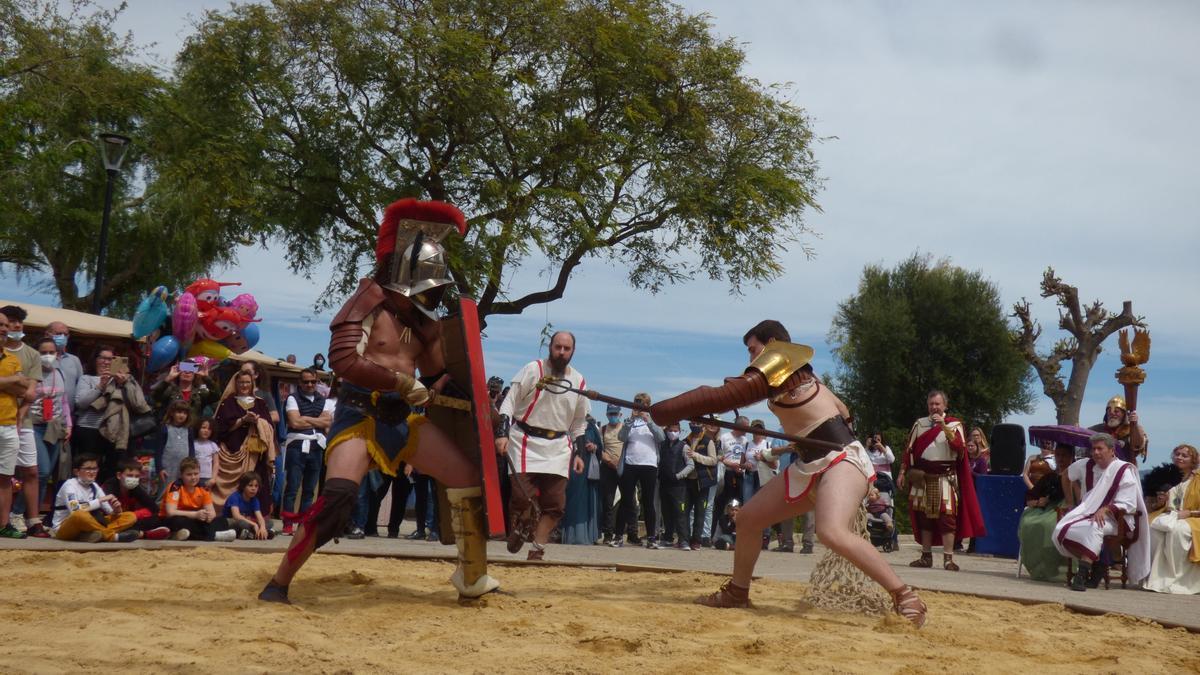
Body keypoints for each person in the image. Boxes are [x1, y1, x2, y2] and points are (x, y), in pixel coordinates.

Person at [262, 198, 500, 603]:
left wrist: (477, 403)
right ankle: (280, 580)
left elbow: (438, 374)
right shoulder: (367, 302)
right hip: (359, 414)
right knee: (338, 498)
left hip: (402, 421)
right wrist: (402, 383)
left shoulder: (424, 323)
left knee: (466, 478)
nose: (433, 293)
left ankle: (472, 578)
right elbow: (343, 360)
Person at [648, 320, 927, 627]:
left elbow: (724, 396)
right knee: (750, 518)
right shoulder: (801, 375)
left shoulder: (782, 365)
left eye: (753, 350)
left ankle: (905, 596)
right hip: (809, 465)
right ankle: (738, 592)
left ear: (771, 345)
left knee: (831, 532)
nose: (751, 358)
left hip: (840, 459)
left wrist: (664, 411)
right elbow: (845, 411)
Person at [498, 330, 590, 560]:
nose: (561, 352)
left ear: (573, 352)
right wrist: (502, 433)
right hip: (524, 441)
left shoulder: (579, 381)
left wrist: (579, 453)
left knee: (555, 504)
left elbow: (579, 423)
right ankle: (523, 524)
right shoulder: (533, 369)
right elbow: (509, 403)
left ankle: (537, 549)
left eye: (566, 349)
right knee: (521, 497)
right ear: (550, 347)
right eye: (557, 347)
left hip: (558, 447)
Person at [898, 389, 985, 571]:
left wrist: (944, 426)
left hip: (945, 478)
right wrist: (902, 472)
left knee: (947, 518)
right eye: (931, 404)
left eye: (937, 404)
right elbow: (909, 451)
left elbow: (959, 449)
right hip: (922, 477)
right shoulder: (919, 424)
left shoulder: (955, 425)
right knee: (924, 519)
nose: (934, 407)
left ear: (945, 405)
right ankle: (926, 556)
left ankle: (948, 559)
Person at [1053, 433, 1150, 591]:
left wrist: (1106, 509)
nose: (1096, 452)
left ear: (1112, 450)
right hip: (1087, 514)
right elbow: (1065, 476)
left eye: (1100, 449)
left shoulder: (1122, 469)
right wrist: (1071, 502)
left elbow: (1128, 502)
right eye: (1093, 449)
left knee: (1094, 527)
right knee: (1061, 530)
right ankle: (1098, 564)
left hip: (1116, 519)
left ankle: (1081, 575)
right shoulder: (1085, 464)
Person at [74, 345, 151, 480]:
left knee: (111, 469)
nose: (106, 362)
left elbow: (137, 404)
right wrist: (100, 387)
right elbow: (81, 403)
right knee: (88, 468)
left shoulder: (123, 380)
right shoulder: (86, 378)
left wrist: (124, 384)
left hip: (113, 431)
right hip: (89, 429)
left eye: (110, 359)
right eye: (102, 358)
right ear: (95, 360)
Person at [21, 337, 72, 536]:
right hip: (34, 424)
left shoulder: (59, 373)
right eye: (43, 352)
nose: (48, 356)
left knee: (46, 475)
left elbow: (65, 401)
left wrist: (69, 424)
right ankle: (17, 512)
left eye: (52, 352)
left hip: (55, 426)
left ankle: (32, 518)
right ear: (37, 354)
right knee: (39, 471)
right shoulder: (31, 373)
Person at [212, 371, 276, 513]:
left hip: (254, 453)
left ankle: (255, 516)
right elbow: (220, 428)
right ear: (236, 383)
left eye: (247, 382)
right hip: (231, 450)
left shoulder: (260, 403)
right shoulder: (227, 403)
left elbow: (270, 426)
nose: (244, 385)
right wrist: (243, 420)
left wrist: (259, 422)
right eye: (241, 382)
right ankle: (227, 514)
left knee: (255, 483)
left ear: (252, 383)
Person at [3, 306, 43, 532]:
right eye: (11, 321)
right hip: (3, 416)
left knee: (31, 471)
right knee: (4, 473)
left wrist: (20, 415)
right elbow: (21, 386)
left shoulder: (32, 354)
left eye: (19, 322)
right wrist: (18, 382)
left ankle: (34, 520)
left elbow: (30, 392)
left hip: (23, 420)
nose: (16, 326)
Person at [281, 369, 334, 530]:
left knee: (310, 489)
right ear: (300, 382)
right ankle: (288, 523)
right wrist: (317, 421)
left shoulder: (323, 400)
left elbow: (327, 422)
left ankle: (303, 523)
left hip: (316, 446)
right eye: (306, 382)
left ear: (317, 381)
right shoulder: (292, 398)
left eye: (312, 381)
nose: (309, 384)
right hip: (297, 445)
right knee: (292, 486)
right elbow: (295, 423)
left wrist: (305, 418)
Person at [1144, 444, 1200, 594]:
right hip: (1168, 515)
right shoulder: (1164, 476)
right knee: (1151, 528)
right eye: (1177, 454)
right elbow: (1149, 507)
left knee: (1179, 531)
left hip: (1194, 518)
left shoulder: (1198, 479)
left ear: (1193, 460)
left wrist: (1189, 513)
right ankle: (1157, 578)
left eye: (1184, 455)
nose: (1179, 457)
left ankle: (1179, 580)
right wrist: (1159, 503)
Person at [51, 453, 141, 542]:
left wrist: (116, 510)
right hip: (64, 527)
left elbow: (109, 511)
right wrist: (100, 500)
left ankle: (91, 536)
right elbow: (75, 510)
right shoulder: (69, 485)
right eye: (88, 469)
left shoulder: (94, 486)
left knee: (130, 516)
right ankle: (112, 537)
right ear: (76, 472)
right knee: (79, 515)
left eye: (95, 469)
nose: (92, 472)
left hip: (89, 525)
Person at [1017, 444, 1076, 581]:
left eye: (1064, 455)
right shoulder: (1049, 477)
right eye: (1058, 455)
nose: (1061, 458)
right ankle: (1041, 565)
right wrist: (1039, 502)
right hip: (1047, 509)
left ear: (1071, 457)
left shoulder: (1075, 476)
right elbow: (1030, 497)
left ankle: (1055, 564)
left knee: (1048, 525)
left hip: (1067, 508)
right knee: (1028, 522)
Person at [611, 392, 663, 548]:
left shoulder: (655, 421)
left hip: (649, 465)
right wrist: (631, 421)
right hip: (630, 464)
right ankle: (619, 536)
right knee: (626, 501)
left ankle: (652, 538)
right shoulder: (629, 422)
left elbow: (661, 438)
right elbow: (621, 437)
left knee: (648, 503)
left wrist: (648, 421)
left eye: (642, 404)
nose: (638, 406)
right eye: (636, 403)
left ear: (648, 405)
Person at [160, 457, 237, 542]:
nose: (193, 477)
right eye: (189, 474)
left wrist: (208, 517)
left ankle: (184, 535)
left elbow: (212, 513)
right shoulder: (175, 486)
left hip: (195, 521)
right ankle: (214, 536)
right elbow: (170, 512)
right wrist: (195, 514)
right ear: (181, 475)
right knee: (178, 521)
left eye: (196, 474)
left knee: (222, 521)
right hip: (175, 519)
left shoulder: (203, 488)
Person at [102, 458, 171, 539]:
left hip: (129, 520)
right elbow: (109, 513)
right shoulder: (108, 487)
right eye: (130, 476)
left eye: (137, 476)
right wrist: (133, 515)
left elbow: (154, 509)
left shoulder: (135, 488)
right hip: (111, 521)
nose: (133, 479)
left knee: (159, 519)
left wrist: (135, 514)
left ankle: (135, 533)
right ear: (119, 475)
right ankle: (144, 534)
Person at [561, 413, 602, 545]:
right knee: (570, 500)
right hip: (568, 467)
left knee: (586, 501)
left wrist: (594, 447)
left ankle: (586, 536)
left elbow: (601, 448)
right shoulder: (565, 423)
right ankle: (569, 535)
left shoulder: (591, 426)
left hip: (587, 472)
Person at [682, 422, 719, 550]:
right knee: (684, 511)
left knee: (700, 512)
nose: (694, 425)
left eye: (697, 423)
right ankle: (684, 539)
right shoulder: (685, 441)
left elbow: (713, 460)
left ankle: (696, 540)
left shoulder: (708, 441)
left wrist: (696, 456)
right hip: (687, 481)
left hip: (702, 482)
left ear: (703, 425)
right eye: (692, 423)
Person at [658, 422, 693, 549]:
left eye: (675, 430)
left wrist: (679, 475)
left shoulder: (684, 446)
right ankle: (667, 538)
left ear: (679, 431)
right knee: (666, 512)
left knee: (680, 513)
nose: (673, 433)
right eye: (670, 430)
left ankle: (684, 540)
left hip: (679, 486)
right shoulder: (661, 445)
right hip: (664, 484)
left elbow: (691, 465)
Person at [150, 360, 220, 422]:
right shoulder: (170, 391)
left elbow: (217, 395)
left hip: (192, 432)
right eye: (184, 370)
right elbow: (155, 396)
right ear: (179, 373)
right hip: (171, 430)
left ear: (194, 375)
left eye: (190, 370)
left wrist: (206, 378)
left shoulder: (200, 394)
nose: (187, 372)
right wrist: (168, 379)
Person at [1089, 396, 1147, 464]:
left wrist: (1134, 425)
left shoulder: (1131, 430)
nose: (1112, 413)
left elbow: (1138, 444)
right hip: (1100, 469)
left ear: (1124, 414)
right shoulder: (1096, 430)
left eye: (1116, 411)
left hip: (1124, 469)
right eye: (1109, 411)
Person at [153, 400, 196, 492]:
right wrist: (159, 468)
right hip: (168, 468)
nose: (182, 415)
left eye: (185, 413)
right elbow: (158, 450)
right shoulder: (164, 428)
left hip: (184, 468)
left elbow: (191, 448)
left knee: (182, 492)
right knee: (165, 491)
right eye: (179, 412)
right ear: (172, 413)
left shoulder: (189, 430)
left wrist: (192, 465)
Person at [596, 403, 624, 545]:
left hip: (624, 468)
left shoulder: (625, 429)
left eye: (615, 414)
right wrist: (608, 460)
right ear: (607, 414)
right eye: (610, 414)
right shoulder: (602, 430)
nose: (613, 416)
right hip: (608, 468)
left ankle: (625, 533)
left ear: (620, 414)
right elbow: (599, 449)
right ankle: (608, 534)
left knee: (628, 502)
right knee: (607, 501)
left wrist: (621, 462)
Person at [224, 472, 275, 540]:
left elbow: (259, 517)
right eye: (250, 485)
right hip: (235, 521)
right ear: (243, 486)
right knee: (241, 523)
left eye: (256, 486)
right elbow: (236, 516)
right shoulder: (235, 497)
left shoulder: (255, 500)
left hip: (248, 523)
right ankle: (260, 533)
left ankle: (253, 534)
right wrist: (254, 524)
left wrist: (262, 527)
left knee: (269, 522)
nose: (253, 488)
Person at [44, 321, 83, 406]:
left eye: (65, 335)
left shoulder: (74, 360)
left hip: (69, 414)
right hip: (44, 412)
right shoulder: (39, 358)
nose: (63, 337)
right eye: (59, 333)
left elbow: (80, 386)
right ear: (47, 335)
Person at [193, 418, 219, 488]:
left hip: (207, 478)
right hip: (193, 476)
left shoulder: (213, 445)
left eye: (209, 429)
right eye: (203, 428)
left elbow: (216, 463)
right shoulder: (192, 443)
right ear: (198, 428)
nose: (206, 431)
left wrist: (213, 478)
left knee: (205, 497)